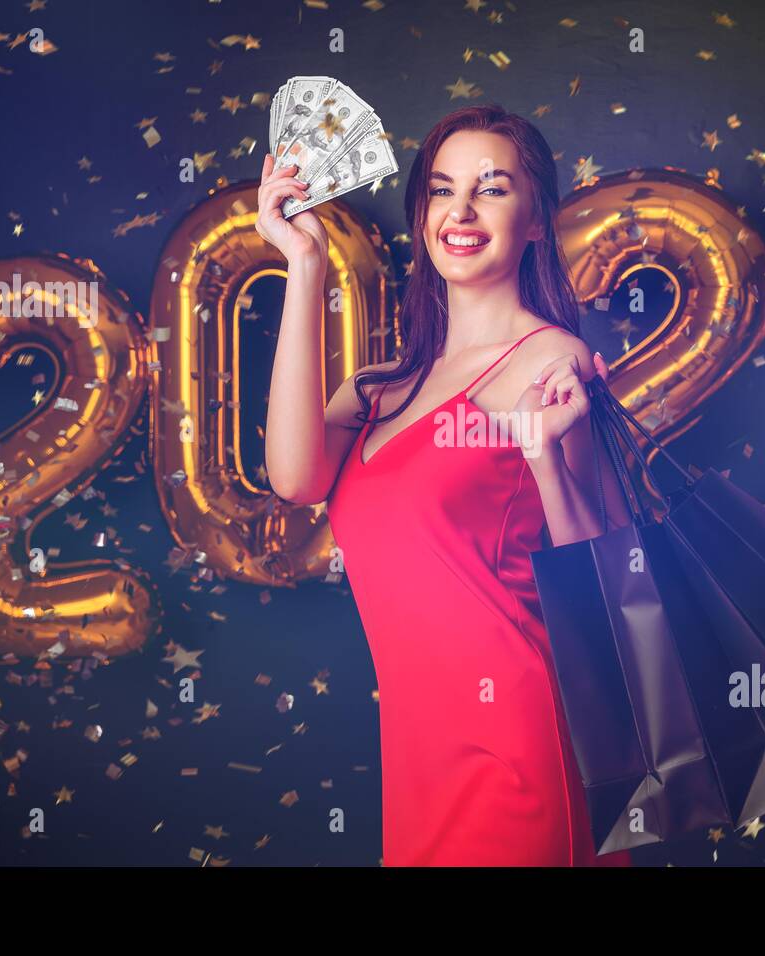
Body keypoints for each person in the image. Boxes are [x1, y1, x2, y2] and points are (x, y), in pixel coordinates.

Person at [259, 104, 634, 867]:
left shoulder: (548, 359)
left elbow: (610, 574)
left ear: (535, 220)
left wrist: (541, 457)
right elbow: (296, 479)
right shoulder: (380, 388)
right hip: (419, 753)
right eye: (440, 190)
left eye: (492, 189)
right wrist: (304, 265)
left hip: (518, 740)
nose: (460, 212)